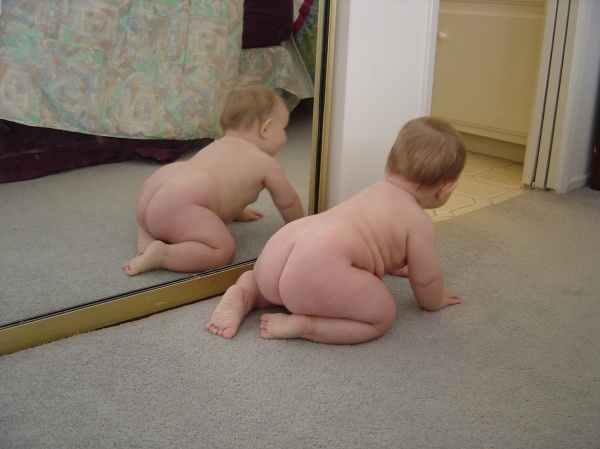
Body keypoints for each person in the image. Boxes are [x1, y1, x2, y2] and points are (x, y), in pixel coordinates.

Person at [206, 116, 466, 344]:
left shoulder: (373, 191)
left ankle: (246, 291)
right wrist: (436, 300)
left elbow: (374, 238)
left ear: (390, 165)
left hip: (285, 244)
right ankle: (308, 325)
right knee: (381, 314)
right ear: (445, 189)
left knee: (266, 284)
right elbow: (426, 280)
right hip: (316, 271)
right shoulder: (419, 223)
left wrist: (396, 262)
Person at [123, 85, 304, 276]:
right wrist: (301, 228)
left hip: (156, 191)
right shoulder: (266, 164)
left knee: (198, 182)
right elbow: (288, 202)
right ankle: (163, 255)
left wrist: (237, 212)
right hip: (182, 204)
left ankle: (148, 232)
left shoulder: (217, 145)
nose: (285, 135)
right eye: (283, 129)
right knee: (222, 250)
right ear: (265, 129)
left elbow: (226, 187)